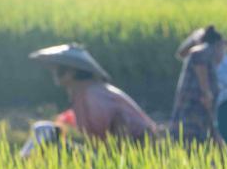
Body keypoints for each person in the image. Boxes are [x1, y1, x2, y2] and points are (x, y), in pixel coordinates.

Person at [28, 44, 156, 143]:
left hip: (134, 150)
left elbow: (119, 124)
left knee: (43, 131)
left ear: (71, 72)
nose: (54, 73)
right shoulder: (81, 94)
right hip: (108, 152)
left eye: (58, 69)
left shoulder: (94, 95)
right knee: (43, 131)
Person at [177, 28, 227, 144]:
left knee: (225, 136)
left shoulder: (204, 55)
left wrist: (194, 37)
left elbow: (182, 53)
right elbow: (182, 54)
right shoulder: (219, 54)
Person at [170, 25, 227, 144]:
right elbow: (196, 55)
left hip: (198, 118)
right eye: (223, 48)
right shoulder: (205, 50)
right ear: (219, 44)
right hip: (191, 116)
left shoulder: (209, 57)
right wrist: (206, 92)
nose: (224, 53)